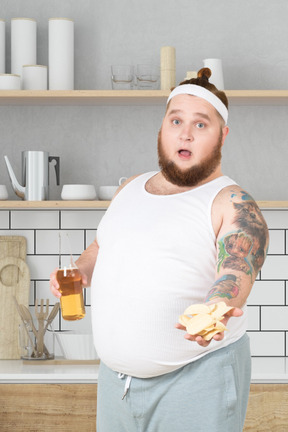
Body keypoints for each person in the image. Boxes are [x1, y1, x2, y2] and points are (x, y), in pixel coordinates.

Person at [50, 68, 269, 432]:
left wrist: (216, 307)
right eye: (176, 120)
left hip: (197, 381)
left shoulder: (232, 202)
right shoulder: (131, 188)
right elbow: (102, 245)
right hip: (117, 385)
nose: (185, 132)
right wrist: (82, 269)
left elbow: (237, 270)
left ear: (222, 136)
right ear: (161, 129)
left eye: (201, 125)